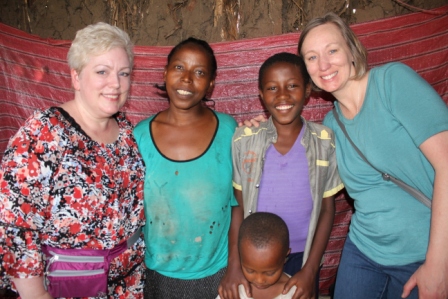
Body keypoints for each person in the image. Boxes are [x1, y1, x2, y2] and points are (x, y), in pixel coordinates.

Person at [297, 12, 448, 299]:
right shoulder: (331, 125)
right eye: (312, 57)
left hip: (424, 252)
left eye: (332, 50)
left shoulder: (391, 83)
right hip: (364, 252)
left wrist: (439, 263)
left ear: (351, 50)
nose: (324, 64)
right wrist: (261, 127)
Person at [0, 22, 146, 299]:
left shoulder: (125, 130)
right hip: (67, 288)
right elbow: (14, 223)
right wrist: (35, 295)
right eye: (102, 71)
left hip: (127, 285)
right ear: (76, 78)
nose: (115, 83)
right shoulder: (43, 134)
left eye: (123, 73)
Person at [133, 37, 242, 299]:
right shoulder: (139, 137)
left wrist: (235, 267)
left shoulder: (229, 131)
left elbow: (239, 204)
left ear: (211, 84)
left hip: (217, 272)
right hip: (157, 274)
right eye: (179, 68)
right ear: (165, 73)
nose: (187, 79)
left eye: (200, 72)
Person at [230, 52, 343, 299]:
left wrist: (311, 269)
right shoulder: (244, 140)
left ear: (308, 90)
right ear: (260, 94)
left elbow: (327, 208)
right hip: (255, 259)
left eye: (292, 85)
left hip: (304, 257)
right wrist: (235, 266)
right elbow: (237, 206)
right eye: (272, 87)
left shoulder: (324, 141)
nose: (282, 95)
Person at [217, 212, 297, 299]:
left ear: (286, 255)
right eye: (250, 271)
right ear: (240, 255)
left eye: (270, 273)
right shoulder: (233, 288)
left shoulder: (296, 293)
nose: (260, 280)